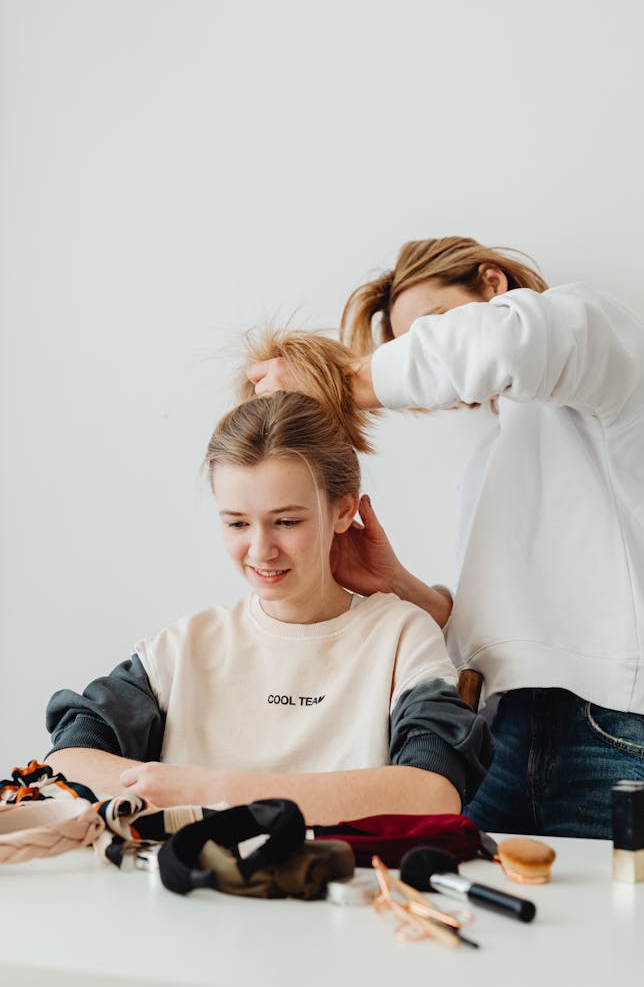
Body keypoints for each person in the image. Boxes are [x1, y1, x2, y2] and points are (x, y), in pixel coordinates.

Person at [246, 237, 644, 842]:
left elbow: (506, 341)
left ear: (493, 285)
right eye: (409, 346)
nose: (428, 356)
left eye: (434, 329)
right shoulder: (492, 457)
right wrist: (400, 588)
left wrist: (338, 379)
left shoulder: (600, 343)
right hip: (500, 742)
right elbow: (490, 636)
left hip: (622, 736)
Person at [46, 347, 493, 824]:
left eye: (285, 521)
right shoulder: (187, 646)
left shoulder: (400, 635)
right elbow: (66, 759)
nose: (261, 551)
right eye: (238, 524)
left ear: (343, 510)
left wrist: (213, 790)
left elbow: (432, 794)